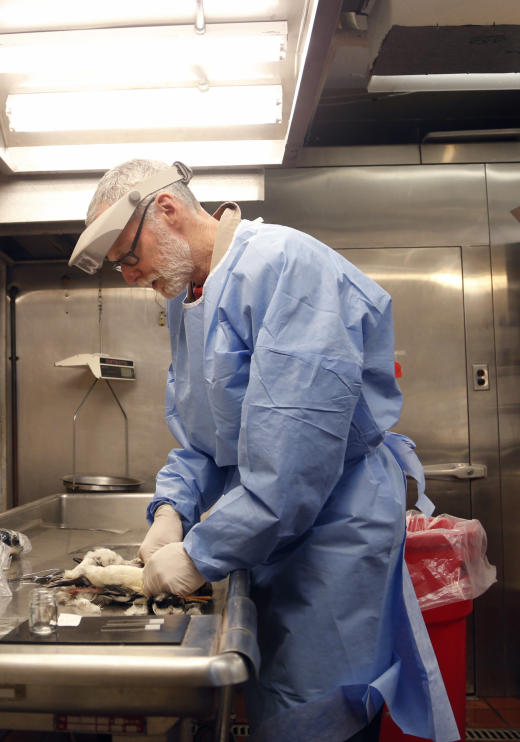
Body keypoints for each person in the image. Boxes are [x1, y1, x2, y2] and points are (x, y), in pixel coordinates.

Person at [68, 159, 458, 742]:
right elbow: (206, 438)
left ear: (167, 211)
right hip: (262, 539)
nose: (127, 275)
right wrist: (172, 509)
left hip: (330, 538)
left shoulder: (287, 269)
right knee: (274, 702)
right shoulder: (188, 298)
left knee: (322, 709)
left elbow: (294, 465)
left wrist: (197, 555)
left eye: (128, 256)